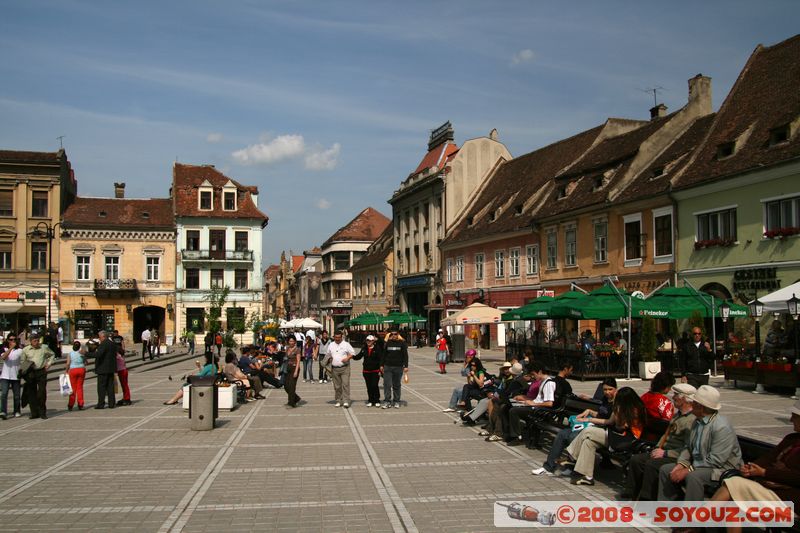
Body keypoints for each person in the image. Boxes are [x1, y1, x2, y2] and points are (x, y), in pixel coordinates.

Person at [709, 400, 800, 532]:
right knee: (733, 503)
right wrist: (751, 467)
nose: (791, 419)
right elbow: (769, 457)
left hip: (791, 501)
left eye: (795, 416)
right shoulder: (791, 438)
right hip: (771, 490)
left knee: (733, 483)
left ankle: (695, 521)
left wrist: (764, 472)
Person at [658, 385, 743, 502]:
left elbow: (716, 460)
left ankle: (692, 515)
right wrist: (681, 464)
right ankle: (665, 510)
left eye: (694, 403)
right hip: (699, 464)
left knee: (694, 477)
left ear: (701, 407)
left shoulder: (721, 426)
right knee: (666, 469)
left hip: (720, 469)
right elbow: (688, 448)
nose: (691, 404)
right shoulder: (697, 421)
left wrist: (689, 469)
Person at [532, 378, 619, 476]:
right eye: (605, 389)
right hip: (594, 425)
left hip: (604, 430)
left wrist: (589, 419)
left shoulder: (618, 402)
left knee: (573, 436)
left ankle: (570, 466)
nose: (607, 392)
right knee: (563, 433)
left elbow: (610, 422)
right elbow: (601, 414)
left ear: (616, 388)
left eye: (610, 389)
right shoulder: (606, 399)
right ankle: (548, 466)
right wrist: (589, 411)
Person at [624, 383, 696, 500]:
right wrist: (658, 448)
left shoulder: (691, 420)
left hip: (676, 456)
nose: (673, 397)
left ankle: (646, 500)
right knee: (636, 460)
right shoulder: (678, 416)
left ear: (684, 399)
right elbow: (664, 435)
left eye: (676, 395)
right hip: (663, 451)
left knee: (651, 465)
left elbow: (688, 448)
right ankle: (631, 495)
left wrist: (665, 453)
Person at [562, 387, 647, 486]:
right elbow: (611, 422)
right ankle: (587, 477)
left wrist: (618, 411)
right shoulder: (623, 407)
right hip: (616, 435)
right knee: (589, 442)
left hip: (627, 440)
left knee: (588, 431)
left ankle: (572, 458)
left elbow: (621, 427)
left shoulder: (635, 409)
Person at [506, 361, 559, 445]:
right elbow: (538, 399)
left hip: (539, 410)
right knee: (508, 405)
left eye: (533, 374)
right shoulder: (542, 381)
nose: (532, 377)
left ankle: (516, 436)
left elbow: (549, 403)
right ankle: (512, 434)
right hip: (534, 406)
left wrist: (533, 404)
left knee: (514, 411)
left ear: (540, 372)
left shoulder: (549, 383)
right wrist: (525, 400)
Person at [19, 333, 55, 419]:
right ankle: (34, 413)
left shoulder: (44, 347)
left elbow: (52, 354)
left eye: (38, 340)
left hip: (41, 371)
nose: (37, 342)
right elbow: (22, 361)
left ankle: (42, 412)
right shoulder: (25, 350)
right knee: (32, 392)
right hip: (31, 372)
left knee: (41, 392)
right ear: (31, 341)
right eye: (35, 341)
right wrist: (26, 368)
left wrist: (49, 364)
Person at [353, 335, 383, 407]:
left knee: (374, 385)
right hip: (366, 371)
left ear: (373, 341)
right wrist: (351, 356)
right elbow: (358, 356)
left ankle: (377, 400)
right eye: (367, 340)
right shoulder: (364, 348)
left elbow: (381, 359)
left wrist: (381, 368)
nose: (368, 342)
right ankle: (370, 400)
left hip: (375, 370)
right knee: (369, 386)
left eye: (370, 340)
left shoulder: (377, 348)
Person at [328, 330, 355, 408]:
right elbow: (328, 354)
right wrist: (329, 359)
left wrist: (347, 358)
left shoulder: (346, 344)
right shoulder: (331, 345)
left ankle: (346, 400)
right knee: (337, 386)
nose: (337, 339)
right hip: (334, 369)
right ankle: (338, 400)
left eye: (339, 337)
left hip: (345, 368)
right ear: (334, 337)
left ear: (341, 337)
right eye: (336, 337)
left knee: (345, 384)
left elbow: (353, 353)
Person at [93, 330, 117, 410]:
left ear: (103, 336)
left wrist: (86, 353)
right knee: (110, 386)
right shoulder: (112, 344)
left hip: (102, 368)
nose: (99, 339)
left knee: (101, 387)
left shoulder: (104, 344)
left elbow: (99, 355)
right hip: (111, 368)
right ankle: (112, 403)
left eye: (99, 337)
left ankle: (101, 404)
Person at [0, 333, 23, 419]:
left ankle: (16, 411)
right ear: (8, 340)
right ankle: (3, 411)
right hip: (5, 376)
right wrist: (11, 348)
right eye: (11, 339)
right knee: (4, 394)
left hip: (15, 375)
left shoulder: (20, 350)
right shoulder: (3, 348)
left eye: (14, 339)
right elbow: (4, 357)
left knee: (16, 395)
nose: (13, 341)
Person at [65, 340, 87, 411]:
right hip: (81, 369)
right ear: (79, 347)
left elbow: (68, 363)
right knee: (79, 387)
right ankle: (80, 404)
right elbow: (86, 362)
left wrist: (66, 370)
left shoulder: (70, 354)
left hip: (73, 370)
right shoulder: (82, 353)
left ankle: (70, 404)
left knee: (73, 388)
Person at [283, 337, 301, 407]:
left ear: (295, 342)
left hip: (294, 368)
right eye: (290, 341)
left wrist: (296, 371)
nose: (291, 343)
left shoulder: (297, 349)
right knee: (286, 385)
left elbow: (298, 361)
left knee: (292, 385)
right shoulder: (287, 348)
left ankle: (292, 402)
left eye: (292, 341)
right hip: (287, 368)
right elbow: (286, 358)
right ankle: (296, 398)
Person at [116, 342, 132, 406]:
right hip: (123, 370)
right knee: (124, 385)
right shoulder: (121, 355)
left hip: (122, 371)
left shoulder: (117, 355)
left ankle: (127, 398)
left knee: (125, 385)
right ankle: (125, 397)